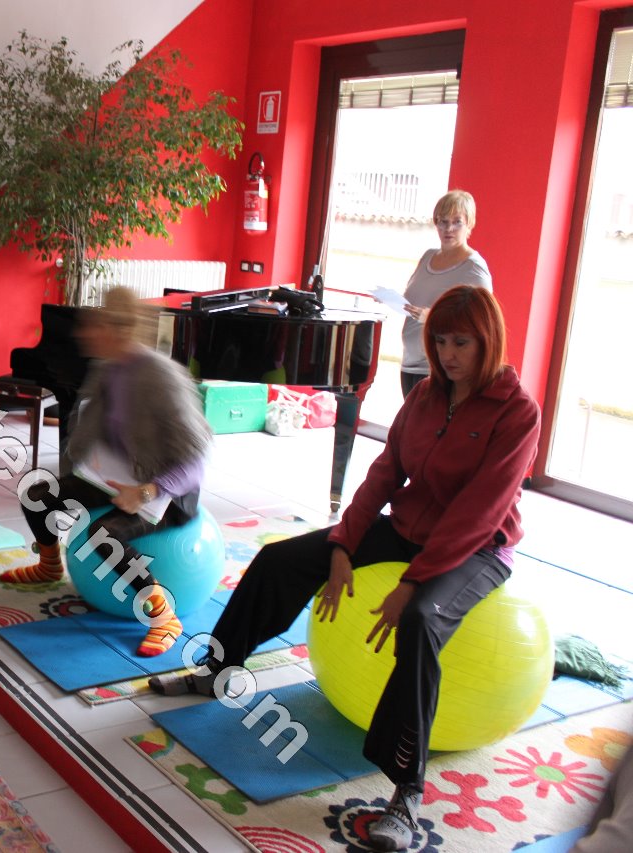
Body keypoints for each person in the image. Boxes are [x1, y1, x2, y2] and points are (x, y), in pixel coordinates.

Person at [152, 286, 541, 852]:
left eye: (462, 342)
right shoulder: (428, 394)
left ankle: (406, 792)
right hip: (407, 528)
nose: (448, 354)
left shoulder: (517, 411)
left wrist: (413, 582)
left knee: (421, 621)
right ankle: (217, 667)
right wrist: (342, 544)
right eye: (440, 341)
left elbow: (479, 512)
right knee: (279, 558)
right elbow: (386, 472)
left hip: (479, 549)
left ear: (489, 341)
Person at [0, 286, 212, 657]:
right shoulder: (108, 368)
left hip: (169, 493)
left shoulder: (161, 376)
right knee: (37, 495)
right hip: (121, 476)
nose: (82, 333)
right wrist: (82, 474)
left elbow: (196, 458)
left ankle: (163, 617)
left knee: (103, 535)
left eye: (91, 325)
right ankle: (49, 566)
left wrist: (145, 492)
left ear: (116, 329)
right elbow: (89, 433)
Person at [396, 190, 492, 397]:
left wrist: (431, 317)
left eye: (457, 222)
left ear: (469, 224)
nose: (448, 229)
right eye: (443, 222)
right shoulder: (428, 256)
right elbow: (416, 298)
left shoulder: (474, 267)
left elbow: (481, 321)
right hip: (410, 362)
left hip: (441, 367)